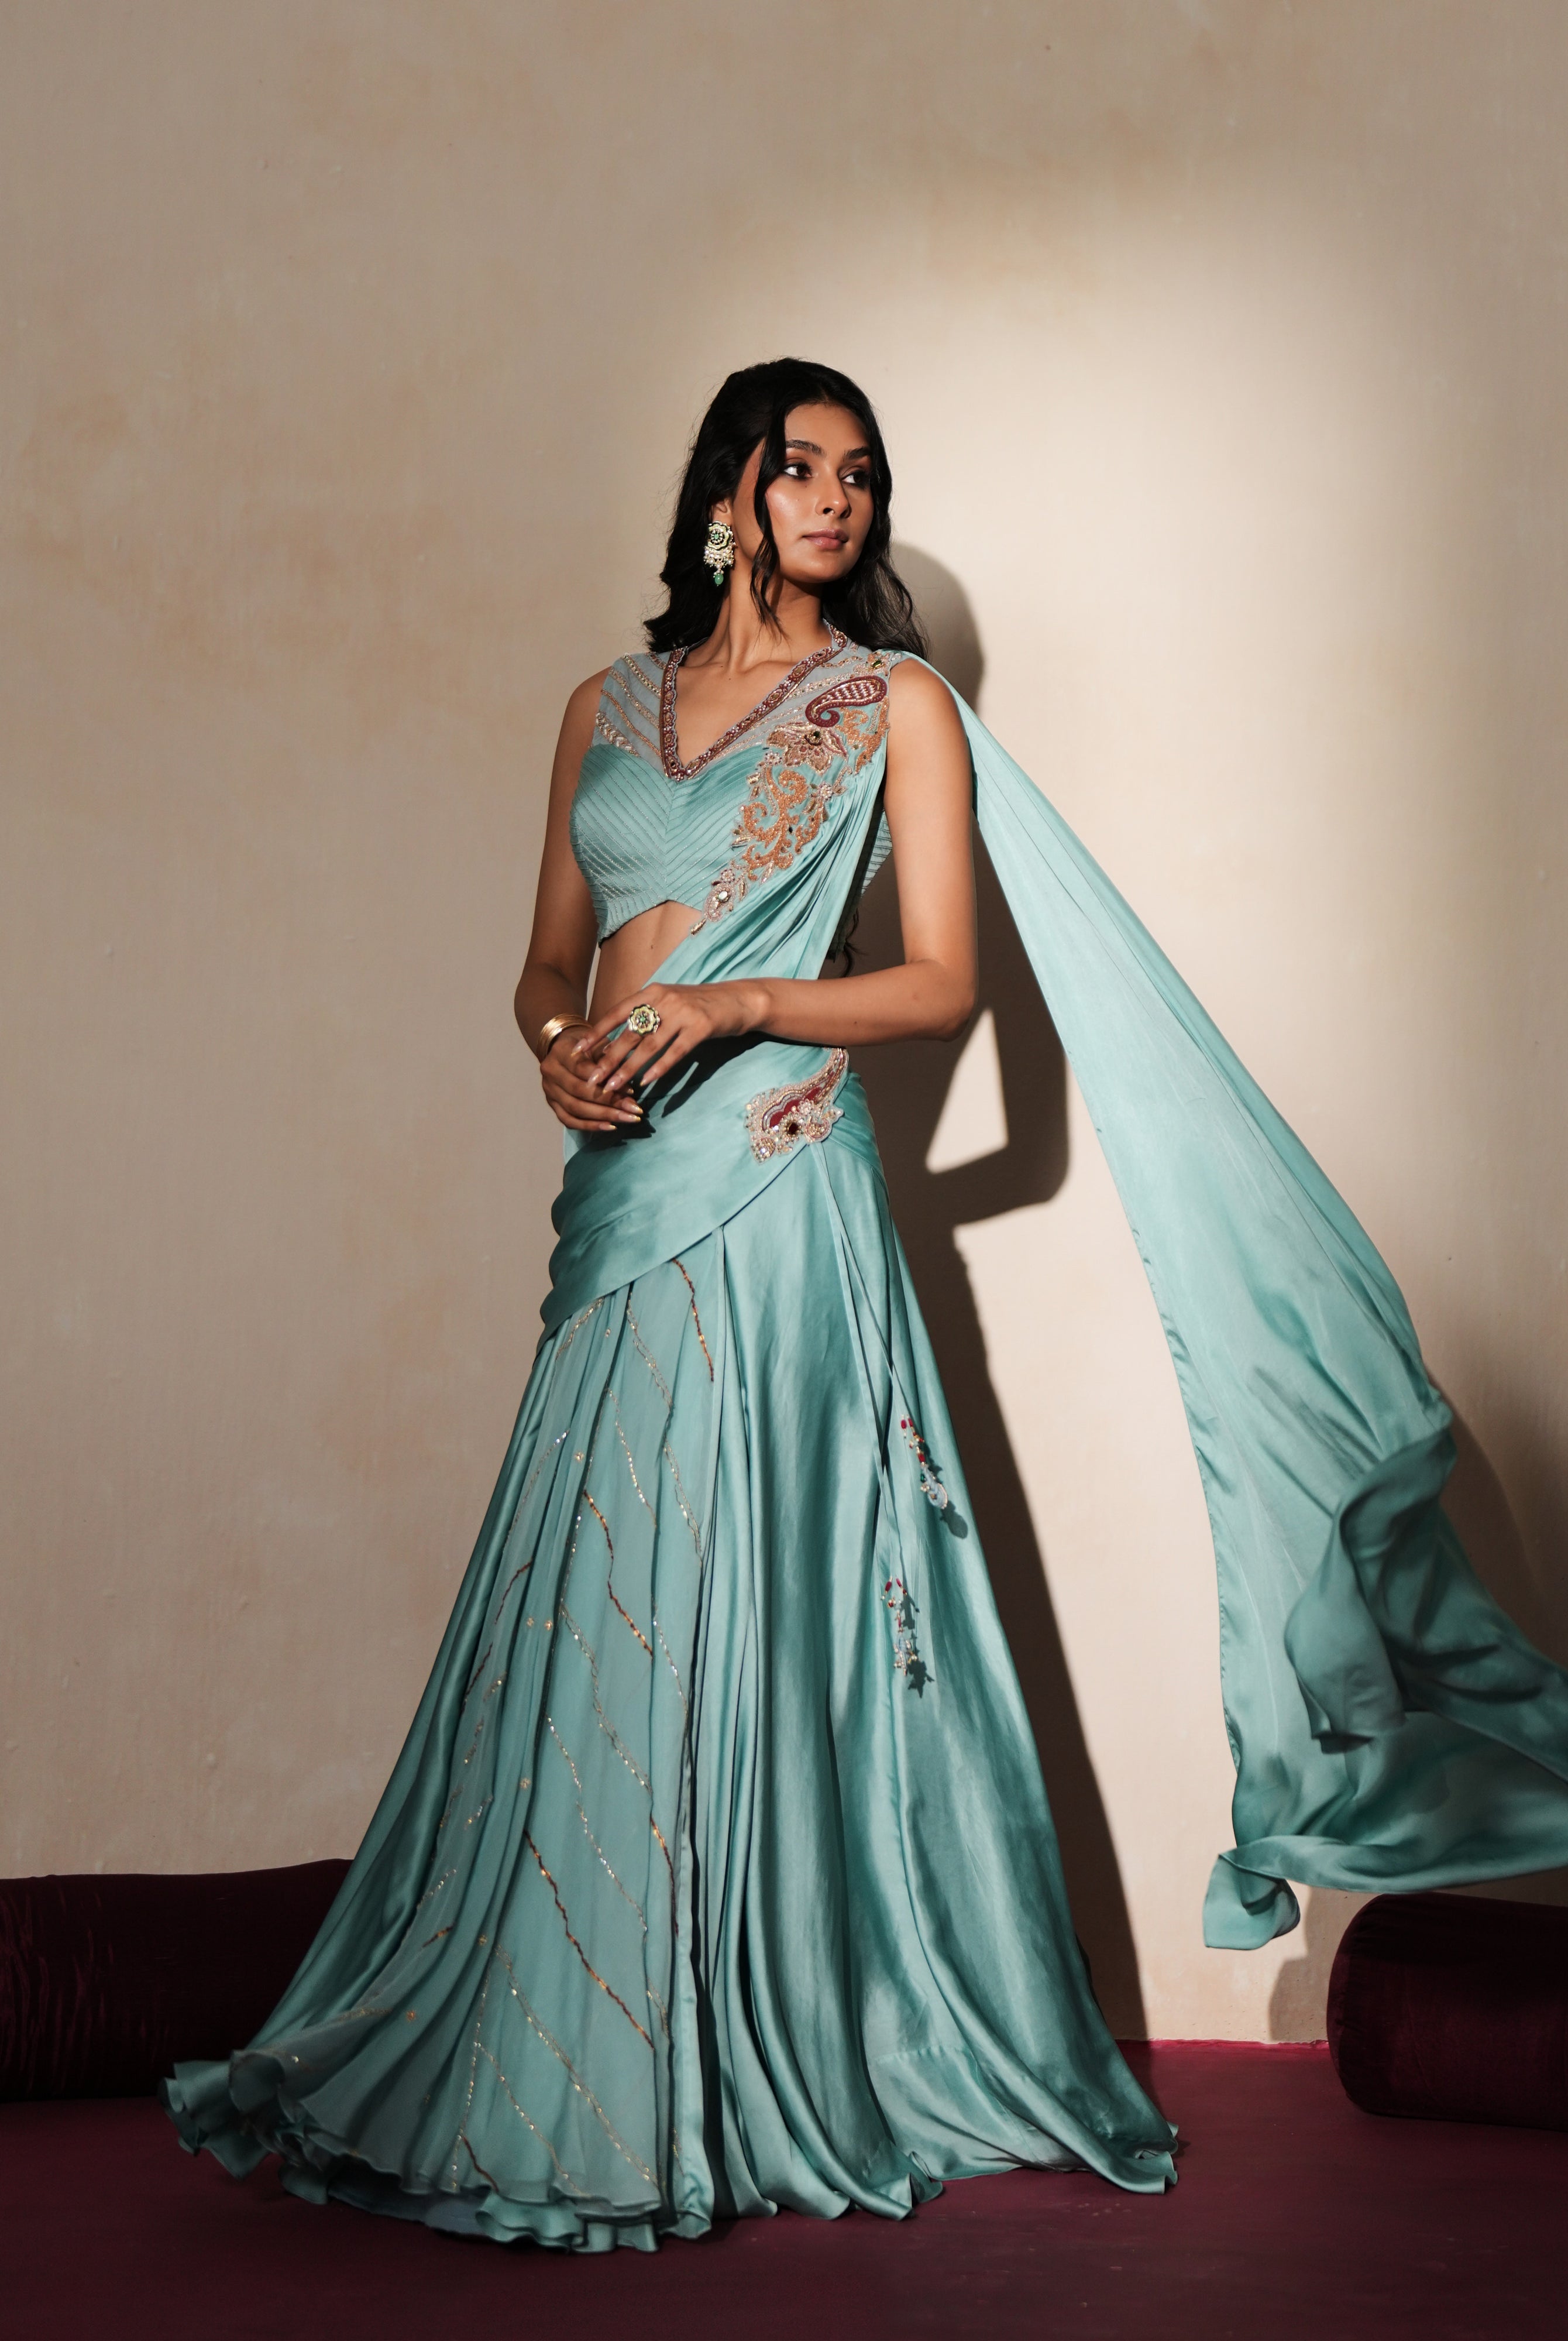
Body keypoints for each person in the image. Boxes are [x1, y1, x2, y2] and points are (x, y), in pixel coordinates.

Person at [165, 359, 1568, 2252]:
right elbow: (544, 959)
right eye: (800, 468)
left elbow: (941, 987)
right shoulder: (605, 701)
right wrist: (560, 1054)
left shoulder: (896, 707)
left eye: (862, 475)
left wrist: (739, 1007)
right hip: (620, 1188)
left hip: (778, 1177)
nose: (836, 499)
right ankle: (580, 2018)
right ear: (728, 496)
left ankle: (778, 2040)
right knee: (600, 1596)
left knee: (762, 1585)